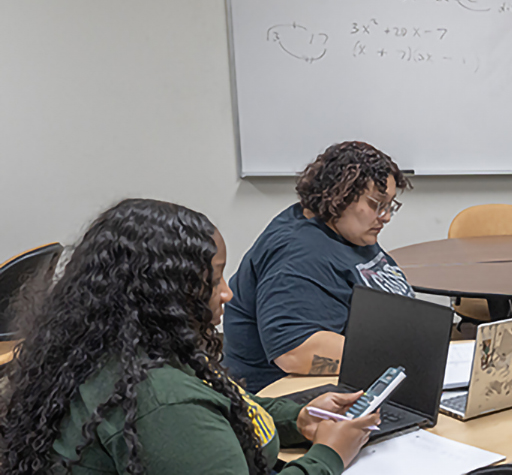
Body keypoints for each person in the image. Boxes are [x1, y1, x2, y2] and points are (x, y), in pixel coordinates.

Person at [0, 199, 378, 474]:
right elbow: (186, 422)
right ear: (162, 293)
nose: (227, 293)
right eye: (214, 279)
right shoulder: (163, 403)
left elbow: (227, 409)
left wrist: (299, 419)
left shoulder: (108, 348)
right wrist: (329, 456)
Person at [223, 141, 414, 392]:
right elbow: (295, 351)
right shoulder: (298, 252)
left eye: (390, 205)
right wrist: (404, 355)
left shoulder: (348, 232)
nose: (386, 216)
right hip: (286, 398)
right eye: (377, 204)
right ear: (340, 194)